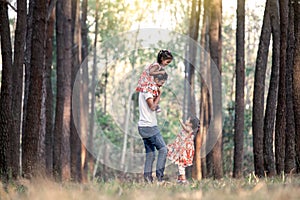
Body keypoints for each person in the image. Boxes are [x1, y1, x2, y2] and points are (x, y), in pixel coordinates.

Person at [137, 72, 169, 183]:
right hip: (149, 126)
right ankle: (160, 179)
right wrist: (159, 95)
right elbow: (152, 106)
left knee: (150, 154)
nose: (161, 85)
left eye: (163, 83)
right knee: (163, 150)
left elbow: (153, 106)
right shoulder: (147, 89)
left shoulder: (147, 89)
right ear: (154, 79)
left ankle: (148, 180)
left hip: (144, 126)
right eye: (160, 82)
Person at [167, 116, 200, 184]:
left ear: (191, 124)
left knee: (181, 164)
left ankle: (183, 179)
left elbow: (185, 129)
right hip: (182, 148)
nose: (186, 120)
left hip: (185, 150)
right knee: (180, 164)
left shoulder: (189, 129)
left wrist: (181, 122)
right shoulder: (188, 129)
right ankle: (180, 179)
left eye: (188, 120)